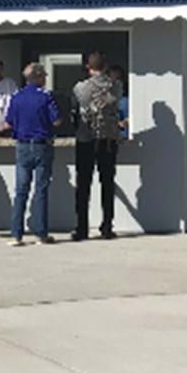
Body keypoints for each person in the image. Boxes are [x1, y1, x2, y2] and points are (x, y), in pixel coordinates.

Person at [5, 63, 60, 246]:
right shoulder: (46, 96)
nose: (45, 79)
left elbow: (9, 122)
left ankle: (16, 234)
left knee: (21, 191)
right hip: (41, 145)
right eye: (43, 76)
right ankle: (40, 233)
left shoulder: (17, 96)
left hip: (21, 145)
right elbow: (57, 120)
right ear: (37, 77)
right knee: (41, 190)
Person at [71, 51, 123, 241]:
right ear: (106, 66)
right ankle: (107, 226)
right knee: (107, 183)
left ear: (88, 67)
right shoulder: (115, 86)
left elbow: (76, 110)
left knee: (83, 185)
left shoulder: (80, 87)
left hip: (86, 138)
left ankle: (81, 228)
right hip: (108, 139)